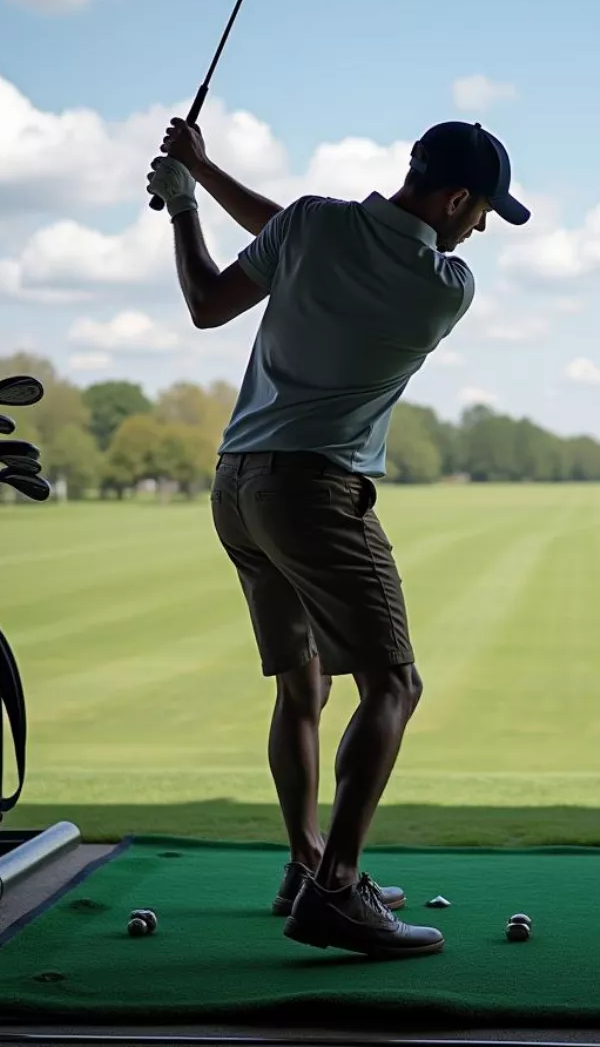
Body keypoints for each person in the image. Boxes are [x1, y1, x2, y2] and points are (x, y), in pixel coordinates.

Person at [146, 118, 529, 959]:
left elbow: (215, 300)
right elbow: (292, 234)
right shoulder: (448, 286)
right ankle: (338, 890)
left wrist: (187, 197)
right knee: (394, 685)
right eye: (483, 212)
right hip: (316, 493)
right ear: (455, 199)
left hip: (237, 485)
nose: (481, 231)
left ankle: (303, 860)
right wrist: (203, 177)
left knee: (301, 686)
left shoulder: (311, 223)